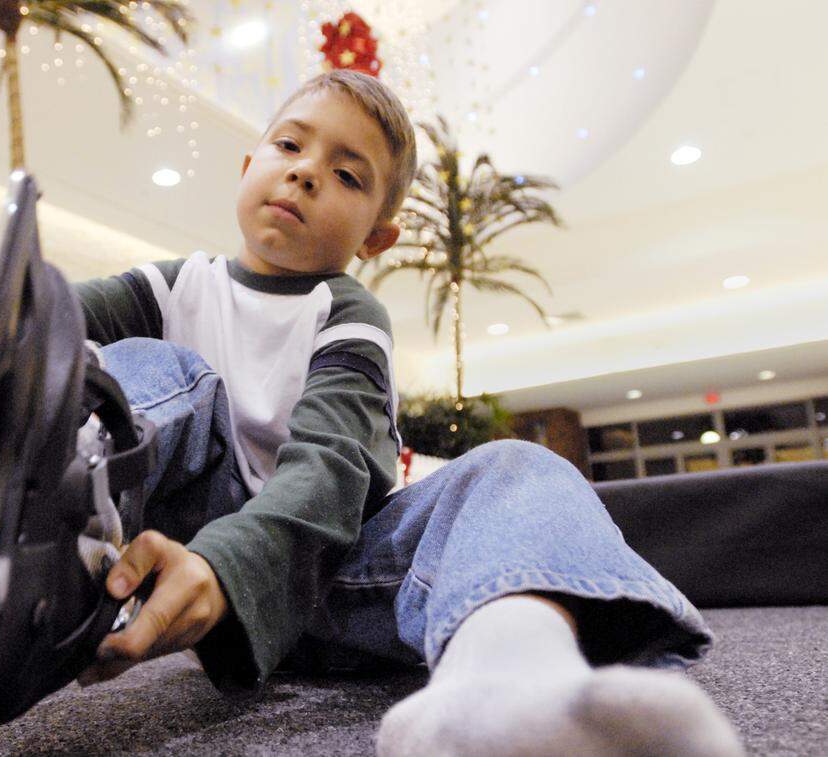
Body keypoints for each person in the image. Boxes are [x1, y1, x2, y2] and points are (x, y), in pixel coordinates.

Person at [53, 70, 743, 755]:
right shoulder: (171, 286)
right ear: (247, 165)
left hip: (344, 577)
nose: (305, 174)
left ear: (377, 238)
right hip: (199, 572)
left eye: (348, 176)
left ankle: (507, 684)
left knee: (518, 466)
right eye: (289, 147)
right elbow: (41, 323)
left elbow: (329, 472)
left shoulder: (348, 315)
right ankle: (39, 515)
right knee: (146, 364)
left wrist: (227, 565)